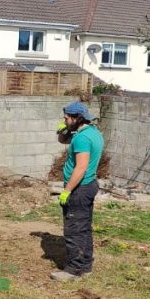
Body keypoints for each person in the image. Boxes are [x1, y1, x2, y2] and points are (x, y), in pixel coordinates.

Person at [51, 101, 104, 282]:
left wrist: (67, 191)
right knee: (84, 228)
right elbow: (63, 140)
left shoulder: (81, 138)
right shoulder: (92, 132)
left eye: (66, 118)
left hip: (79, 189)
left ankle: (73, 270)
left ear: (76, 118)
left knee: (73, 230)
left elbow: (80, 168)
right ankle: (86, 266)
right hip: (88, 186)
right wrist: (63, 130)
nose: (64, 120)